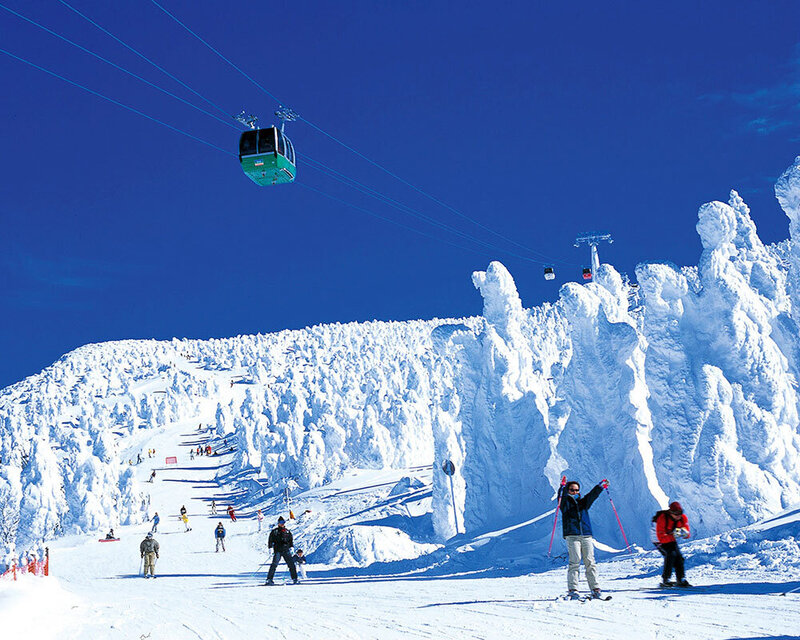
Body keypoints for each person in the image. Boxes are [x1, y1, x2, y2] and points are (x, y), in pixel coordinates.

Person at [559, 479, 606, 599]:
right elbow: (561, 496)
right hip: (572, 535)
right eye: (572, 490)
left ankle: (595, 588)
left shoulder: (583, 502)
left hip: (586, 535)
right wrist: (563, 487)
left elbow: (592, 496)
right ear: (568, 490)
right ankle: (573, 589)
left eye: (576, 490)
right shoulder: (565, 503)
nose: (574, 492)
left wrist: (599, 487)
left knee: (590, 561)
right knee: (575, 561)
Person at [653, 501, 691, 588]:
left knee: (680, 558)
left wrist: (684, 533)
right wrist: (674, 534)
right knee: (671, 555)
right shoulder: (662, 518)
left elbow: (687, 535)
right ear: (670, 513)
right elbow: (661, 537)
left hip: (671, 539)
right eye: (675, 514)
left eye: (680, 513)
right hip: (659, 540)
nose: (678, 516)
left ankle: (681, 579)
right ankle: (666, 579)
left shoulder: (683, 518)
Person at [264, 517, 298, 585]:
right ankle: (269, 579)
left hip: (286, 550)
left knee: (291, 565)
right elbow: (270, 540)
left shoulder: (287, 531)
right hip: (278, 550)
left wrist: (291, 547)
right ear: (278, 523)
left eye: (283, 522)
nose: (282, 524)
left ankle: (295, 578)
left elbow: (290, 540)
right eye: (281, 522)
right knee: (274, 564)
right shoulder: (274, 531)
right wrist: (270, 548)